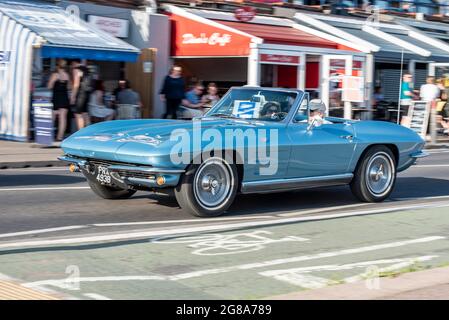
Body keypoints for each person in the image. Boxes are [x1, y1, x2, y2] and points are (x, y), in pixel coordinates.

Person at [47, 59, 70, 141]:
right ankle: (59, 137)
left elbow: (49, 86)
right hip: (64, 98)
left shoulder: (55, 75)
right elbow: (69, 87)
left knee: (52, 117)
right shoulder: (67, 75)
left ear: (57, 66)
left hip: (56, 98)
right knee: (62, 119)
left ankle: (48, 135)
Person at [71, 60, 92, 129]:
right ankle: (89, 132)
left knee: (78, 114)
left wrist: (73, 96)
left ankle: (80, 133)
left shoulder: (76, 70)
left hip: (80, 94)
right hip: (87, 94)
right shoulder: (86, 69)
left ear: (74, 62)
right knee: (85, 113)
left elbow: (76, 84)